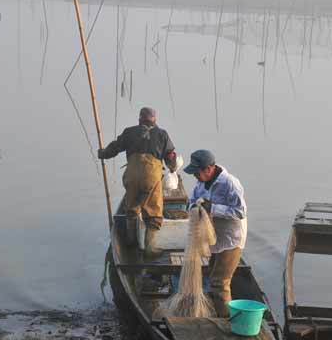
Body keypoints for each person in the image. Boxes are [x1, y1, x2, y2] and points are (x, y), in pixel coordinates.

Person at [98, 107, 177, 259]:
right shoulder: (162, 134)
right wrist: (173, 167)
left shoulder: (129, 132)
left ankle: (130, 243)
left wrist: (102, 153)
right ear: (155, 120)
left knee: (132, 208)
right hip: (151, 176)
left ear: (139, 120)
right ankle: (150, 249)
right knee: (153, 212)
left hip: (132, 176)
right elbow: (170, 157)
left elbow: (114, 148)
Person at [184, 149, 247, 317]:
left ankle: (225, 322)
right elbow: (191, 201)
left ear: (209, 169)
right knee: (212, 278)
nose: (195, 176)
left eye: (197, 172)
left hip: (230, 239)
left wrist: (213, 208)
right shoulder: (201, 183)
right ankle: (217, 313)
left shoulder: (230, 183)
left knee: (220, 283)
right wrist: (193, 207)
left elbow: (240, 212)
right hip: (213, 238)